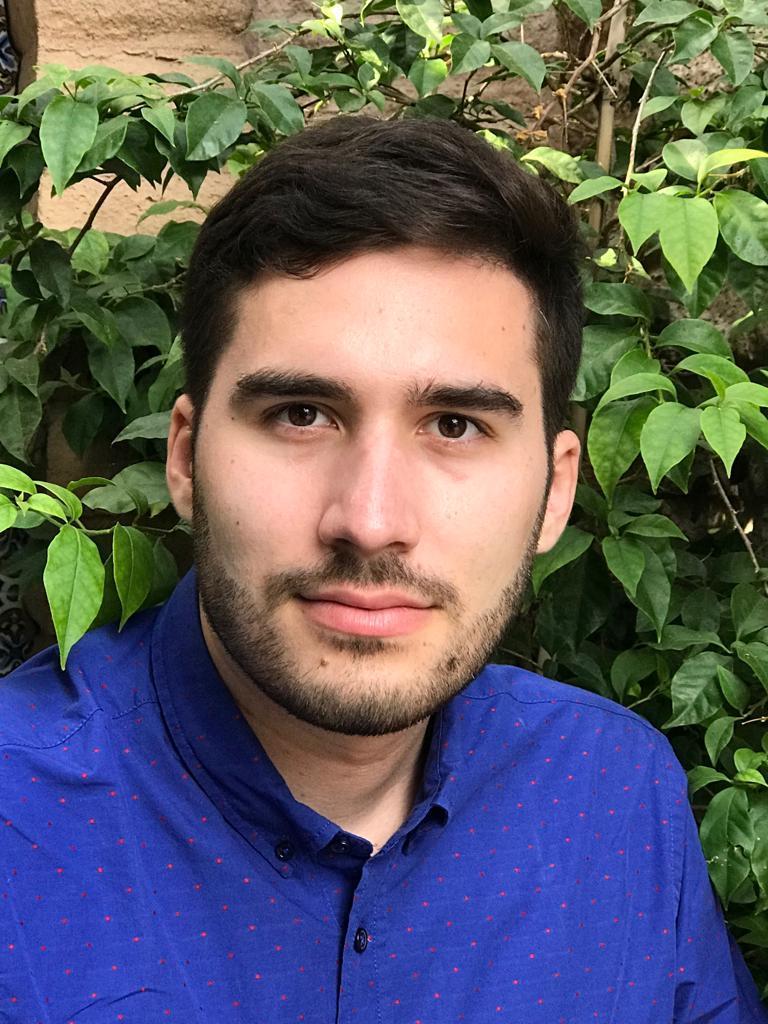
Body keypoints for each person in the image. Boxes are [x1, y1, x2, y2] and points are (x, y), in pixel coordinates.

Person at [1, 116, 765, 1023]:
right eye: (299, 414)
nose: (369, 522)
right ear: (185, 459)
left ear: (556, 494)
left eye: (455, 426)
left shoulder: (614, 793)